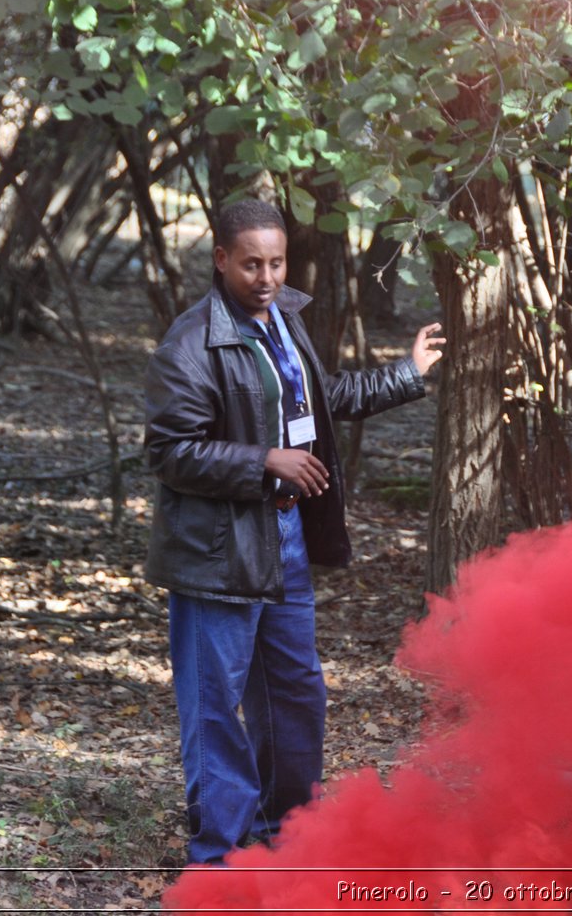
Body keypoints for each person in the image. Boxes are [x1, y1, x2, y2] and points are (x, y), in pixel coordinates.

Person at [143, 198, 444, 865]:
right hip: (216, 553)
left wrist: (406, 373)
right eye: (251, 263)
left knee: (294, 689)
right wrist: (263, 461)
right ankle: (218, 853)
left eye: (276, 262)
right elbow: (168, 451)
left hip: (286, 544)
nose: (266, 276)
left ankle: (289, 830)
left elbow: (322, 399)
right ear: (220, 259)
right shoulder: (192, 342)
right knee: (215, 700)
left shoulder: (285, 322)